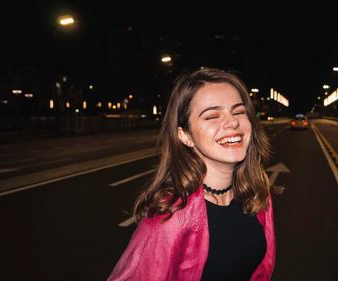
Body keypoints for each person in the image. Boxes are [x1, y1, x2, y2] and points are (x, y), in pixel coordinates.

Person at [107, 67, 275, 281]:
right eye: (212, 116)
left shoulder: (258, 197)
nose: (232, 122)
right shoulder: (171, 217)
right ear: (185, 136)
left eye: (239, 111)